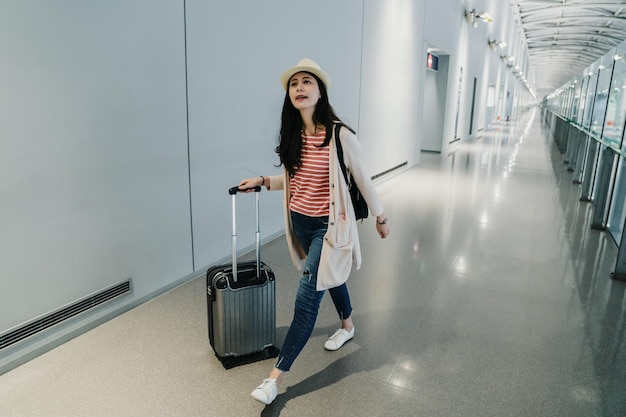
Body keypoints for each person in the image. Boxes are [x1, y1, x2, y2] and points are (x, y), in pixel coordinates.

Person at [238, 58, 390, 405]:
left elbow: (364, 181)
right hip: (301, 224)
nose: (300, 88)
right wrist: (263, 182)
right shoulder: (295, 135)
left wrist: (381, 218)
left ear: (320, 92)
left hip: (329, 227)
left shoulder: (340, 134)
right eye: (294, 84)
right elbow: (295, 181)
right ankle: (348, 327)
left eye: (307, 82)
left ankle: (275, 378)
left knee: (307, 300)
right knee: (332, 278)